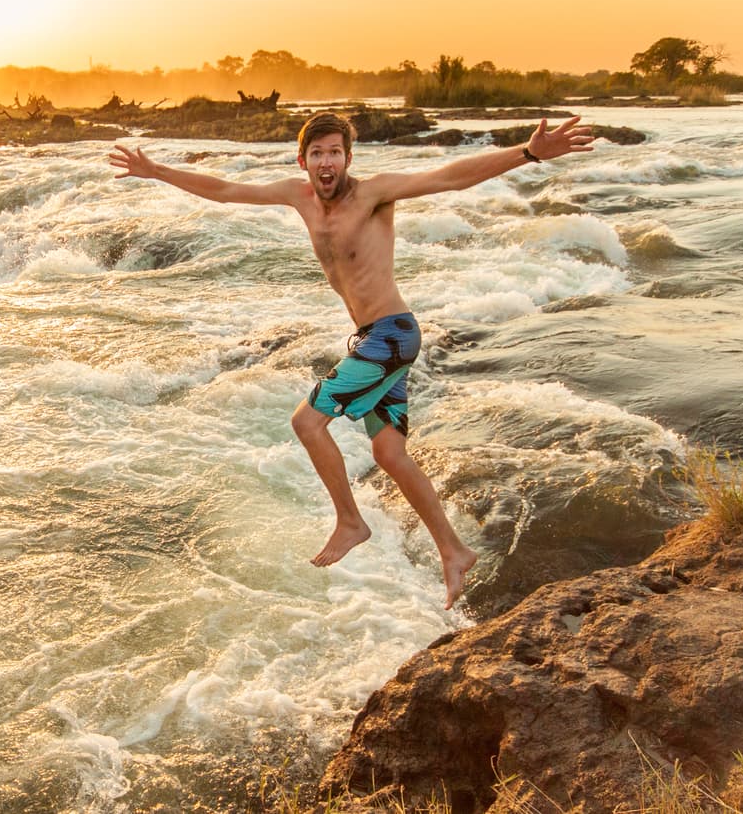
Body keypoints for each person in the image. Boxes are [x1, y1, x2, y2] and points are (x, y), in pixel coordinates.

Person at [109, 113, 594, 609]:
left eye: (335, 152)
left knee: (307, 423)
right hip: (374, 338)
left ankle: (350, 521)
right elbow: (226, 189)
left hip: (392, 336)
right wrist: (160, 170)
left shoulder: (373, 194)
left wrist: (528, 153)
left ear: (347, 158)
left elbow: (449, 176)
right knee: (389, 455)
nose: (327, 161)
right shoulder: (299, 197)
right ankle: (454, 550)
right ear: (304, 161)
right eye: (317, 153)